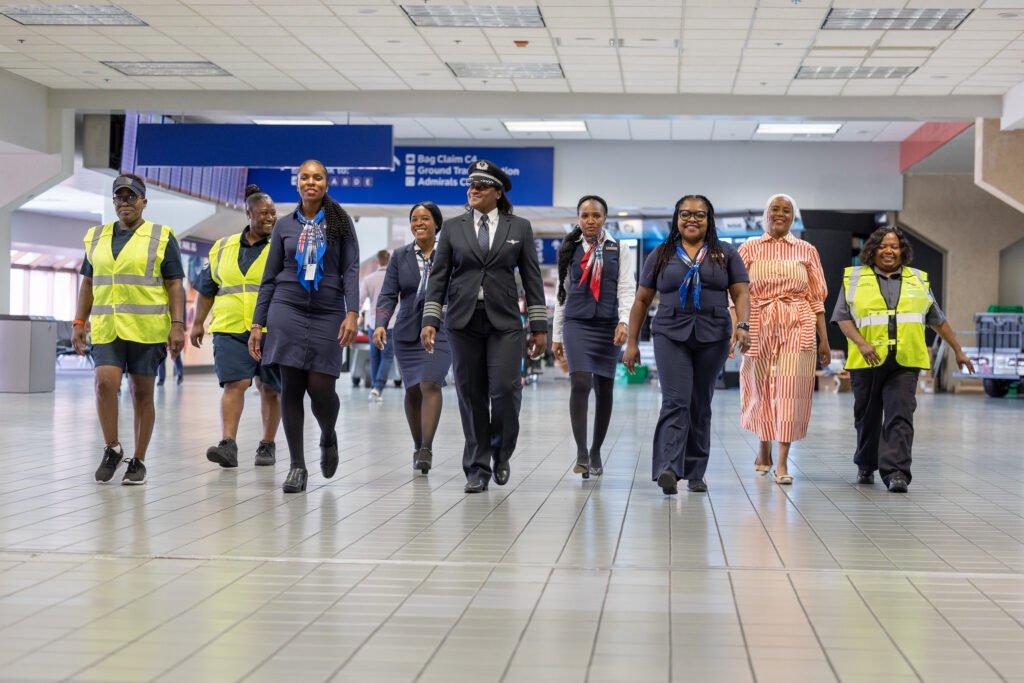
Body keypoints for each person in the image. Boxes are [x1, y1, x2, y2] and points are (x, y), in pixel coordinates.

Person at [421, 160, 547, 493]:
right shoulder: (452, 227)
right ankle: (477, 466)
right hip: (462, 321)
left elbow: (532, 279)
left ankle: (501, 451)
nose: (473, 189)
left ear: (497, 192)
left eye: (481, 185)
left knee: (505, 389)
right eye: (471, 184)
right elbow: (439, 278)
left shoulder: (518, 227)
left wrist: (539, 326)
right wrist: (430, 320)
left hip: (504, 322)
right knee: (471, 393)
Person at [623, 195, 751, 495]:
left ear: (710, 220)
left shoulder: (725, 254)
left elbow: (742, 293)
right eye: (685, 214)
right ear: (676, 219)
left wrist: (743, 325)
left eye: (699, 215)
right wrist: (631, 342)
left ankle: (695, 471)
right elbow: (641, 300)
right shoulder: (660, 255)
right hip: (670, 333)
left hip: (713, 334)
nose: (692, 220)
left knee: (699, 404)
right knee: (675, 400)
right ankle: (668, 466)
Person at [832, 226, 975, 493]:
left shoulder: (918, 280)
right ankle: (866, 464)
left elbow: (938, 320)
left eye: (894, 246)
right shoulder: (853, 278)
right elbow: (842, 317)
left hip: (905, 362)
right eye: (883, 246)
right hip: (867, 361)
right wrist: (861, 344)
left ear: (902, 251)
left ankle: (896, 472)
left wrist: (958, 349)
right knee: (867, 416)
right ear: (873, 249)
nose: (889, 251)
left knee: (900, 416)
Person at [250, 160, 360, 493]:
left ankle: (328, 434)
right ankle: (297, 466)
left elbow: (351, 270)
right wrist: (258, 323)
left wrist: (352, 312)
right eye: (305, 177)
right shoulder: (284, 225)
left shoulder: (341, 222)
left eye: (318, 177)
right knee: (292, 388)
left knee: (321, 388)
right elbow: (269, 278)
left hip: (327, 310)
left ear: (327, 183)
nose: (311, 182)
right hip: (287, 308)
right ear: (297, 184)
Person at [72, 173, 186, 485]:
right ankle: (112, 448)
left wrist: (178, 325)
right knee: (104, 384)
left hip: (147, 329)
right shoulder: (96, 237)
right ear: (113, 202)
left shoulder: (161, 237)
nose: (125, 203)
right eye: (120, 197)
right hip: (108, 328)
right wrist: (79, 322)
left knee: (141, 393)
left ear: (143, 202)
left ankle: (139, 460)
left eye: (131, 197)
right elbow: (87, 283)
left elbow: (175, 285)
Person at [737, 194, 830, 485]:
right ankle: (763, 445)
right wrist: (736, 329)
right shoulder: (748, 248)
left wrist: (824, 339)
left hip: (797, 323)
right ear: (765, 215)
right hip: (758, 323)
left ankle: (782, 462)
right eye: (775, 209)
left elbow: (816, 299)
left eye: (786, 211)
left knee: (791, 390)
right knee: (760, 385)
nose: (780, 214)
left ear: (793, 217)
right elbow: (736, 294)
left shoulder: (806, 250)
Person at [190, 184, 281, 469]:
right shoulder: (221, 248)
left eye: (273, 213)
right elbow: (207, 289)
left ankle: (267, 444)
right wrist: (197, 323)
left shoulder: (283, 247)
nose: (270, 218)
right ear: (248, 213)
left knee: (269, 387)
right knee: (235, 383)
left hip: (271, 329)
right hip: (230, 328)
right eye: (263, 213)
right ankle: (228, 444)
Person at [552, 195, 636, 479]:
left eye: (596, 216)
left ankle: (597, 449)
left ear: (605, 218)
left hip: (607, 326)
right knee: (580, 380)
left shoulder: (619, 248)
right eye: (585, 215)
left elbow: (626, 288)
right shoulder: (569, 249)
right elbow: (562, 295)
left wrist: (624, 322)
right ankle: (581, 453)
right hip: (576, 324)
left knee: (604, 388)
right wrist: (556, 336)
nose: (590, 221)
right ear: (578, 218)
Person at [373, 202, 452, 474]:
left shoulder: (450, 253)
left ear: (436, 224)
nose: (419, 223)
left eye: (425, 219)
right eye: (414, 219)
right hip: (406, 332)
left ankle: (427, 448)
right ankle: (418, 445)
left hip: (442, 329)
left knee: (430, 383)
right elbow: (388, 294)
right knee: (412, 390)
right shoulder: (400, 256)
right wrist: (381, 323)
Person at [359, 249, 396, 402]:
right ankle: (378, 388)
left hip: (373, 323)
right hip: (392, 322)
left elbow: (360, 301)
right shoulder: (395, 278)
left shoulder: (369, 279)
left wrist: (355, 316)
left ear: (377, 262)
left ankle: (375, 386)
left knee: (375, 356)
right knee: (387, 356)